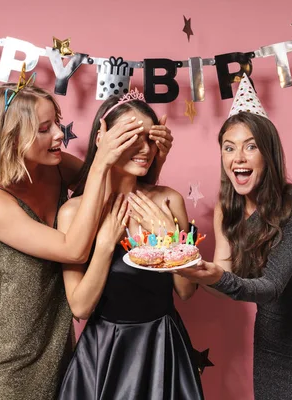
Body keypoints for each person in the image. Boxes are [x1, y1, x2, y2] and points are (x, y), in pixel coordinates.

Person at [0, 70, 174, 400]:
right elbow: (74, 249)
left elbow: (118, 184)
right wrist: (103, 158)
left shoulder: (56, 167)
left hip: (59, 337)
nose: (59, 136)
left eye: (57, 123)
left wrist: (152, 156)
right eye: (44, 129)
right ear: (12, 136)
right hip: (10, 352)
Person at [176, 75, 292, 399]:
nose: (238, 158)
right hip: (273, 350)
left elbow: (270, 288)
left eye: (251, 146)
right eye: (229, 148)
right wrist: (198, 274)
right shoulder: (226, 211)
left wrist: (215, 277)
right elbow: (228, 284)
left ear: (268, 154)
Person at [56, 89, 204, 400]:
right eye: (131, 136)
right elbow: (80, 307)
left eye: (150, 138)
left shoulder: (169, 199)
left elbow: (187, 291)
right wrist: (105, 246)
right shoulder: (73, 213)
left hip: (163, 348)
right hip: (106, 353)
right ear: (104, 138)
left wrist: (170, 240)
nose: (145, 148)